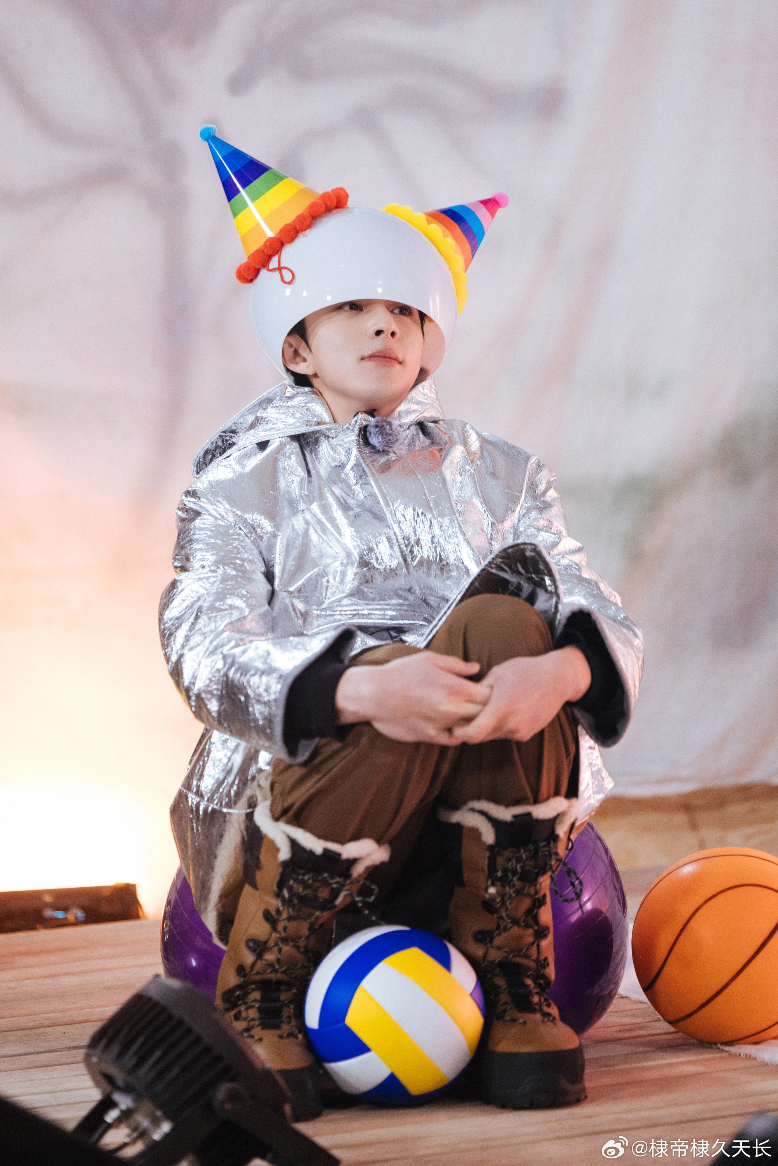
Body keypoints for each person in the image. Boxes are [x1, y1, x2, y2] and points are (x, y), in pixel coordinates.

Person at [159, 126, 643, 1120]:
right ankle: (266, 979)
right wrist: (358, 687)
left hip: (481, 785)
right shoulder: (241, 479)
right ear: (297, 344)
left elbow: (589, 597)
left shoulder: (503, 472)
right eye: (351, 306)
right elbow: (201, 638)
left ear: (429, 341)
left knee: (511, 622)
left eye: (406, 311)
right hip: (311, 791)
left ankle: (509, 973)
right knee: (380, 658)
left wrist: (559, 674)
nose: (384, 323)